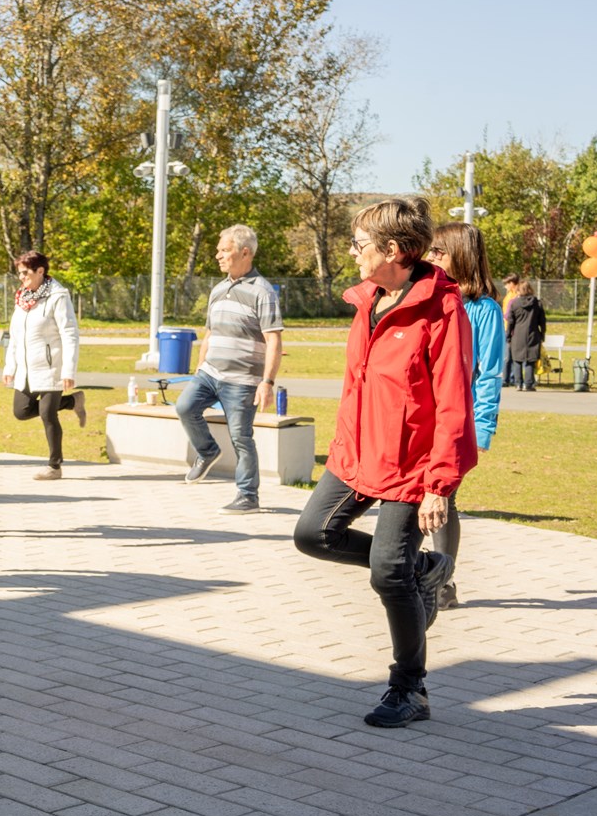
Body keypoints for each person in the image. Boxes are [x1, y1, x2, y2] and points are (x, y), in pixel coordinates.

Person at [294, 197, 476, 729]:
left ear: (393, 250)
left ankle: (410, 688)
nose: (352, 253)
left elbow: (453, 402)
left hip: (411, 465)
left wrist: (439, 484)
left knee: (387, 574)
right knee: (312, 535)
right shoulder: (368, 300)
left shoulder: (443, 309)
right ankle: (424, 570)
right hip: (356, 453)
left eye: (359, 244)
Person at [175, 224, 284, 514]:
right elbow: (209, 333)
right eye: (219, 250)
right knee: (185, 407)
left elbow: (274, 339)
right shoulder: (219, 289)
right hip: (209, 374)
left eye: (225, 250)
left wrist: (267, 382)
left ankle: (248, 496)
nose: (218, 256)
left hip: (242, 380)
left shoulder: (262, 292)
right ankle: (207, 451)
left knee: (241, 438)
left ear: (245, 253)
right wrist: (199, 368)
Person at [426, 222, 504, 610]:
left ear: (460, 255)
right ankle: (422, 575)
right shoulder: (430, 296)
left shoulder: (484, 310)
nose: (430, 257)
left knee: (444, 497)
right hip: (423, 416)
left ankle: (443, 583)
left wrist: (483, 426)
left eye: (438, 251)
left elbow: (489, 373)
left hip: (456, 420)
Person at [2, 250, 84, 480]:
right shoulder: (22, 298)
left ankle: (54, 466)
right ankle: (72, 401)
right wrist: (10, 367)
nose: (21, 277)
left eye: (25, 273)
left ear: (40, 271)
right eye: (19, 273)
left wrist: (68, 370)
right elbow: (15, 336)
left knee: (48, 415)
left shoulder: (58, 296)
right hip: (26, 369)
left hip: (51, 367)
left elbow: (70, 334)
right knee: (21, 411)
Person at [507, 279, 547, 392]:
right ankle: (528, 384)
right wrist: (542, 333)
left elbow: (511, 321)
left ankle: (518, 383)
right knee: (530, 360)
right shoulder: (537, 303)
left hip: (517, 335)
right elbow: (542, 321)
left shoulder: (515, 303)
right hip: (533, 334)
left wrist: (508, 335)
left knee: (517, 360)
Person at [500, 274, 521, 385]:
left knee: (509, 354)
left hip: (511, 327)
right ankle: (509, 376)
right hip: (506, 325)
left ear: (512, 283)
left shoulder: (516, 295)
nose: (505, 286)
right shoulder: (509, 294)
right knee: (508, 353)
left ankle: (510, 377)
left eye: (507, 284)